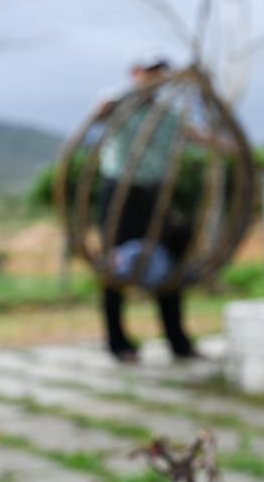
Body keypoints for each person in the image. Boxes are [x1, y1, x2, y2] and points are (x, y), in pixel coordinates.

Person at [96, 50, 197, 363]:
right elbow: (100, 113)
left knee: (170, 262)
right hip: (120, 195)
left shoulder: (167, 115)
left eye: (160, 72)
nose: (155, 78)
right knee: (115, 267)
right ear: (136, 72)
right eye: (149, 71)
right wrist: (127, 96)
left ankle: (177, 341)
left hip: (155, 194)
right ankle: (118, 343)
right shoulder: (118, 104)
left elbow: (192, 134)